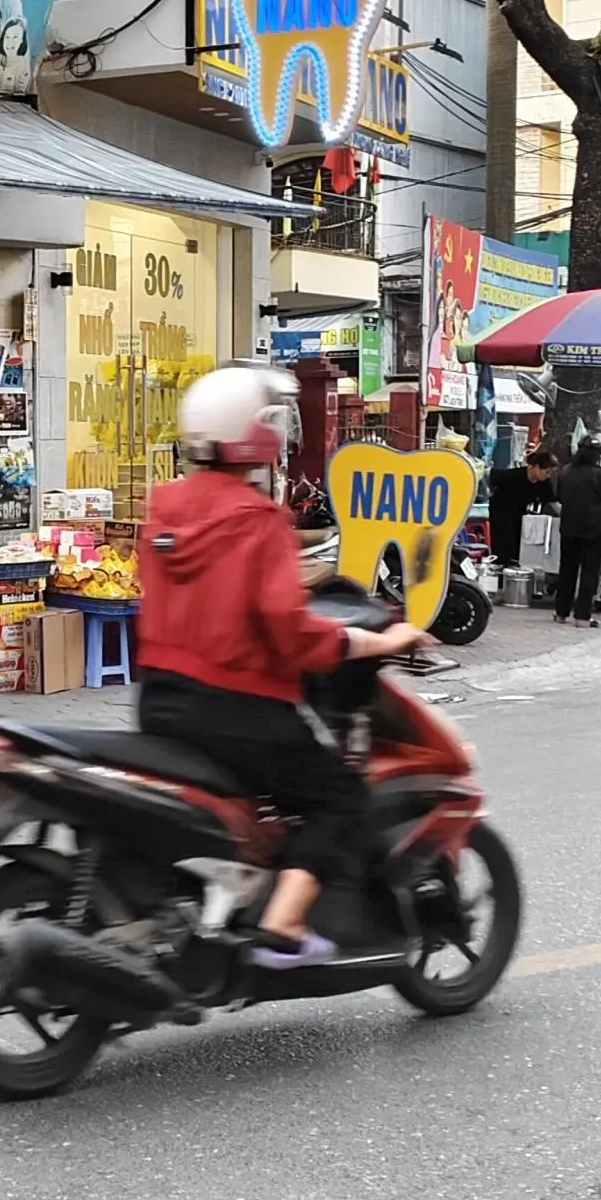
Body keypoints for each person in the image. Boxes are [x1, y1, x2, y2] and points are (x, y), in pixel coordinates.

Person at [136, 365, 421, 969]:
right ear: (257, 431)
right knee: (339, 796)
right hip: (238, 709)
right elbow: (289, 634)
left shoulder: (165, 507)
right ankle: (285, 923)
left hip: (160, 701)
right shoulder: (257, 517)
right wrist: (369, 642)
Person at [553, 437, 601, 626]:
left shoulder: (565, 471)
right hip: (595, 528)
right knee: (589, 571)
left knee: (567, 570)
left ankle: (561, 613)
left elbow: (560, 496)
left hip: (569, 526)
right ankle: (582, 616)